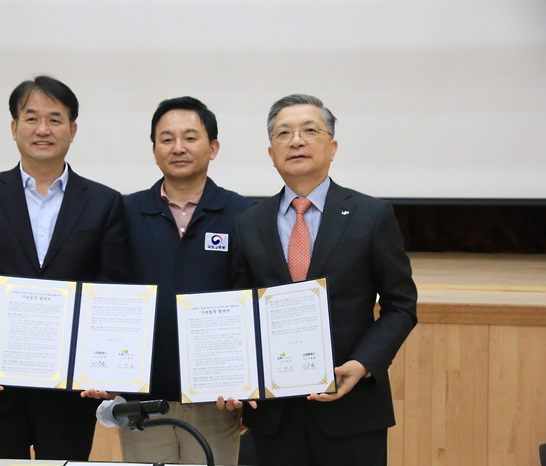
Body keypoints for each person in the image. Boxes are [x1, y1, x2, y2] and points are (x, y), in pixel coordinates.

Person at [0, 75, 130, 460]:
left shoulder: (104, 202)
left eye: (55, 119)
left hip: (69, 392)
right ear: (14, 128)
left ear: (73, 130)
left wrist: (100, 365)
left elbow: (112, 292)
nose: (43, 129)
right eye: (31, 118)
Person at [221, 94, 417, 465]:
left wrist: (363, 363)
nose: (296, 140)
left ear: (332, 147)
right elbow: (238, 309)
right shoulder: (249, 223)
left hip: (352, 409)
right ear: (271, 153)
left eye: (309, 131)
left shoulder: (371, 215)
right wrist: (233, 376)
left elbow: (401, 305)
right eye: (284, 133)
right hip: (273, 414)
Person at [120, 96, 253, 464]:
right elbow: (109, 293)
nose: (178, 147)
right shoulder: (125, 212)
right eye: (167, 139)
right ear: (154, 150)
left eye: (190, 138)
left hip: (216, 399)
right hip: (143, 399)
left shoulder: (243, 214)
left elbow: (251, 299)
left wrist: (246, 384)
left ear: (213, 148)